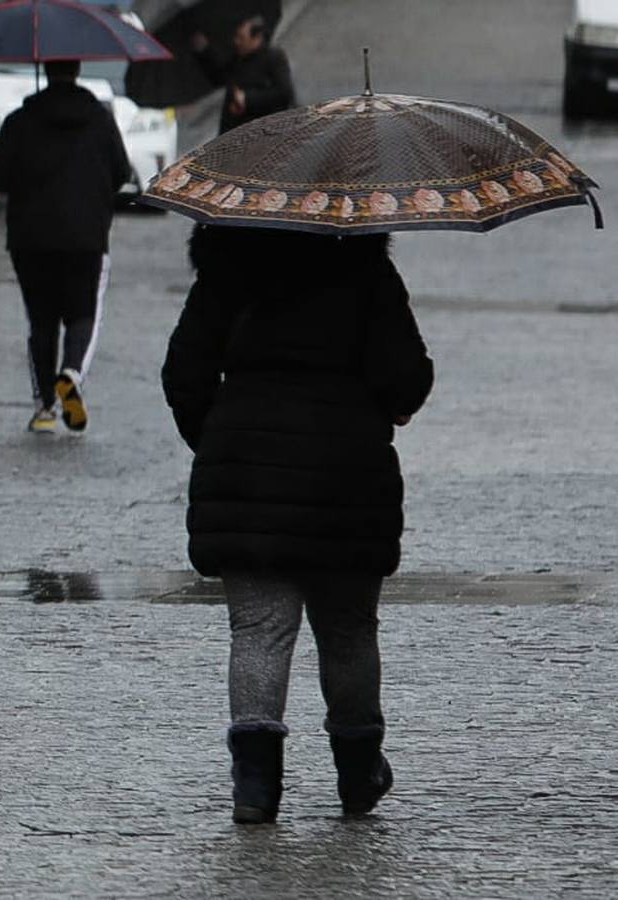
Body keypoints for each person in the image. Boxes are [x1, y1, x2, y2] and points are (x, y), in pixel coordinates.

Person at [161, 224, 434, 824]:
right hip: (346, 473)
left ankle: (255, 787)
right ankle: (359, 772)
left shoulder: (227, 267)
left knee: (258, 629)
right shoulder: (364, 268)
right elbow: (406, 377)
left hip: (247, 475)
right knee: (349, 631)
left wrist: (219, 440)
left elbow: (185, 371)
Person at [0, 59, 130, 435]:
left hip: (30, 240)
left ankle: (45, 407)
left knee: (41, 321)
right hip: (86, 238)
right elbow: (122, 173)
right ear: (78, 69)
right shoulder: (100, 120)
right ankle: (72, 373)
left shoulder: (20, 120)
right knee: (83, 314)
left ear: (44, 70)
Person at [193, 14, 296, 134]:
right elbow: (220, 78)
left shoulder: (273, 57)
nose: (236, 42)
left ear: (257, 37)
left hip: (263, 132)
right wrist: (204, 51)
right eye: (236, 37)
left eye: (241, 38)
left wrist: (247, 98)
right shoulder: (238, 59)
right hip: (233, 131)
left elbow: (284, 93)